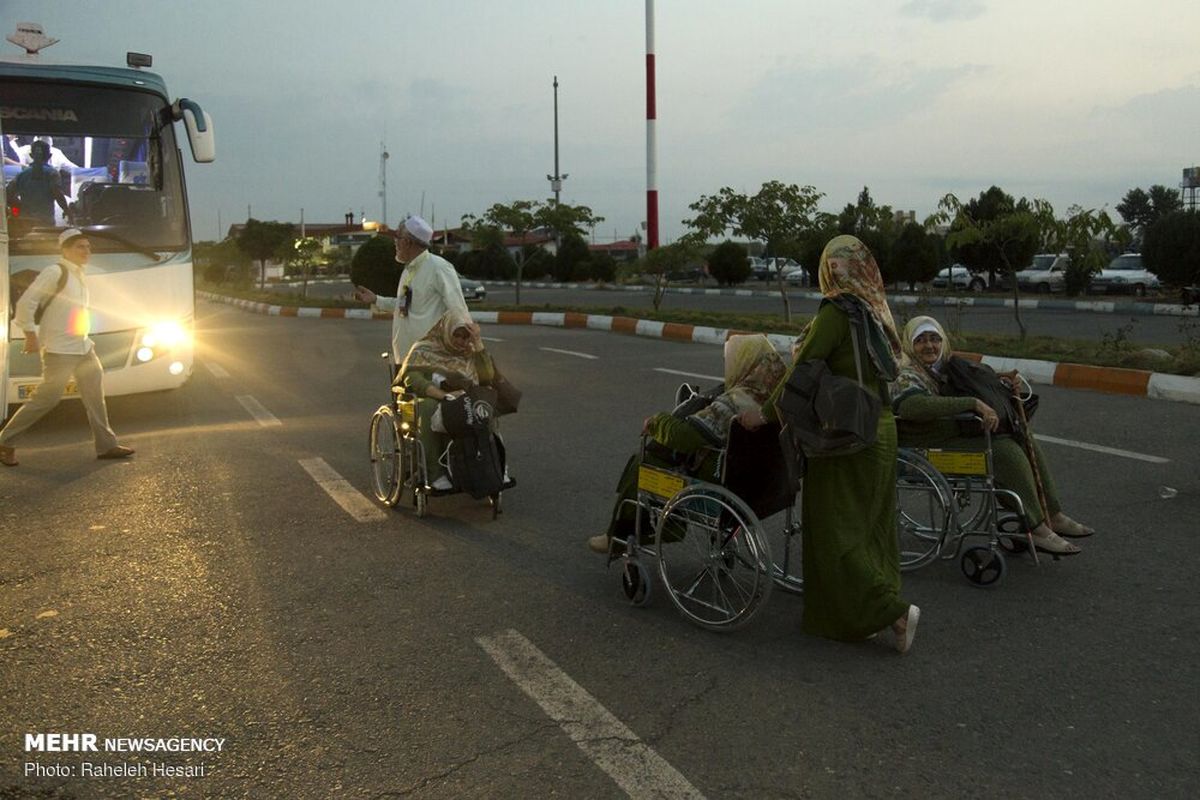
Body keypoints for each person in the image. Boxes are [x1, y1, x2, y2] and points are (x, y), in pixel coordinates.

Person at [746, 235, 918, 653]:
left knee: (833, 527)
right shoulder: (877, 311)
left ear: (832, 269)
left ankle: (891, 612)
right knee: (872, 527)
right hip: (881, 428)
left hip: (845, 435)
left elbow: (800, 374)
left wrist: (765, 413)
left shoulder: (838, 312)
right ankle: (860, 614)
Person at [891, 315, 1093, 555]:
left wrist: (1002, 381)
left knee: (1022, 437)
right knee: (1005, 453)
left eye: (934, 339)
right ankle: (1037, 528)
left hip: (954, 436)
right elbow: (912, 407)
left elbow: (973, 380)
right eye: (920, 340)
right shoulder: (907, 374)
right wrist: (972, 403)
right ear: (909, 344)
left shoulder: (944, 367)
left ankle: (1052, 514)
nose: (929, 346)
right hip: (927, 445)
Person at [587, 333, 787, 554]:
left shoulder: (736, 402)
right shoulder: (776, 402)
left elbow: (683, 438)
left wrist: (656, 422)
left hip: (722, 485)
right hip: (764, 487)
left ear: (746, 362)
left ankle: (621, 536)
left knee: (643, 461)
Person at [0, 230, 135, 467]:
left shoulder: (80, 275)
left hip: (83, 347)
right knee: (46, 399)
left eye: (88, 247)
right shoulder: (55, 272)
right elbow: (25, 304)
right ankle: (5, 442)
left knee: (95, 397)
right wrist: (30, 335)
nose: (86, 251)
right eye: (80, 247)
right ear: (65, 250)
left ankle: (107, 445)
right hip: (59, 350)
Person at [395, 309, 503, 490]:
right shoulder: (423, 348)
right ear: (445, 331)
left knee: (484, 407)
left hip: (462, 398)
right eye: (457, 335)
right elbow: (413, 379)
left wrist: (477, 342)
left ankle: (494, 465)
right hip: (426, 398)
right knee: (430, 408)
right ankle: (435, 474)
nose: (461, 341)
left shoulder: (469, 351)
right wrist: (442, 395)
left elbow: (487, 376)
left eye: (465, 336)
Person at [353, 215, 469, 366]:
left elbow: (458, 309)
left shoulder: (438, 268)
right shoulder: (409, 270)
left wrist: (463, 349)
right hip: (405, 360)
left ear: (407, 242)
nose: (395, 242)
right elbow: (405, 306)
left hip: (429, 362)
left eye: (397, 238)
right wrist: (376, 299)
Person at [8, 140, 69, 225]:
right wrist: (66, 210)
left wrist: (19, 207)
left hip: (25, 221)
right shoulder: (53, 173)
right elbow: (57, 194)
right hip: (46, 221)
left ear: (31, 155)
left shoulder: (21, 175)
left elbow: (8, 194)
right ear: (50, 156)